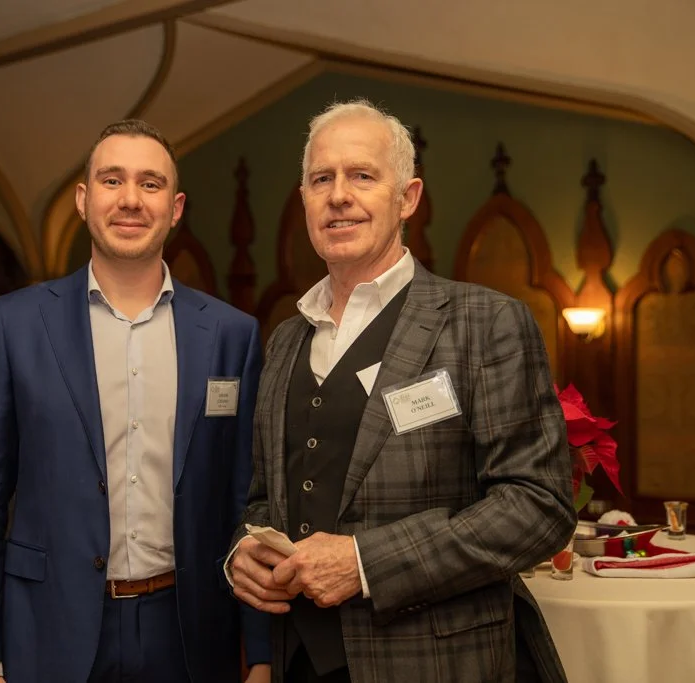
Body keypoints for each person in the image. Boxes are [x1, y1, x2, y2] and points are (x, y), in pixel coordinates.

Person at [227, 99, 576, 683]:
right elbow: (266, 497)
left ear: (407, 198)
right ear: (306, 201)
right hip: (301, 663)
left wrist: (365, 563)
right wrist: (246, 550)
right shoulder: (286, 338)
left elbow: (537, 508)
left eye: (362, 175)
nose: (339, 195)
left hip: (435, 663)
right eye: (321, 179)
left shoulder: (483, 322)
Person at [0, 120, 270, 683]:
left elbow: (250, 501)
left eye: (150, 184)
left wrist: (261, 654)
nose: (129, 200)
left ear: (175, 207)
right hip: (49, 630)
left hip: (190, 634)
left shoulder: (230, 334)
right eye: (111, 180)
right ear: (83, 199)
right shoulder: (16, 323)